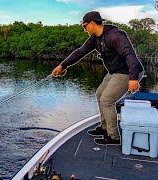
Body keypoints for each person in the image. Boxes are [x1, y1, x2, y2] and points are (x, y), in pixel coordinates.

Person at [50, 11, 144, 145]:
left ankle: (113, 137)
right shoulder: (95, 38)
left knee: (106, 100)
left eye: (85, 26)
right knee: (100, 94)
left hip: (127, 72)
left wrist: (133, 78)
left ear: (93, 23)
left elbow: (130, 55)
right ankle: (105, 128)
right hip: (114, 72)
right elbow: (80, 52)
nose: (84, 30)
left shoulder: (115, 35)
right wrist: (63, 65)